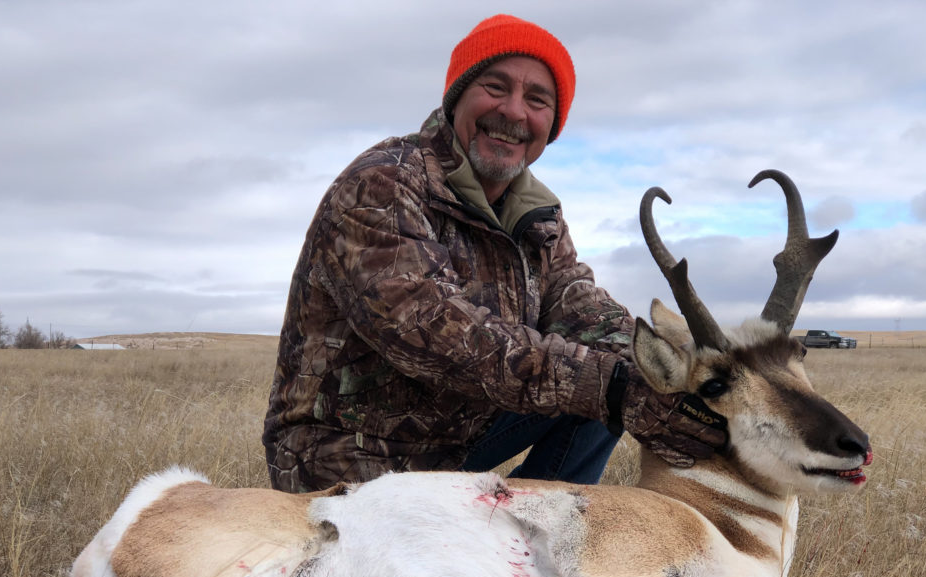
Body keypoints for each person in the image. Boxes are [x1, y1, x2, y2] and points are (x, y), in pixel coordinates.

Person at [263, 14, 726, 493]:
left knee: (618, 386)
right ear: (457, 97)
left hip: (459, 439)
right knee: (607, 388)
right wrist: (613, 388)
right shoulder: (382, 184)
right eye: (495, 86)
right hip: (352, 457)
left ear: (552, 124)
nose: (513, 112)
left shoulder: (537, 215)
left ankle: (539, 540)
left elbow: (579, 306)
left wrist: (683, 367)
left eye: (537, 99)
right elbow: (440, 337)